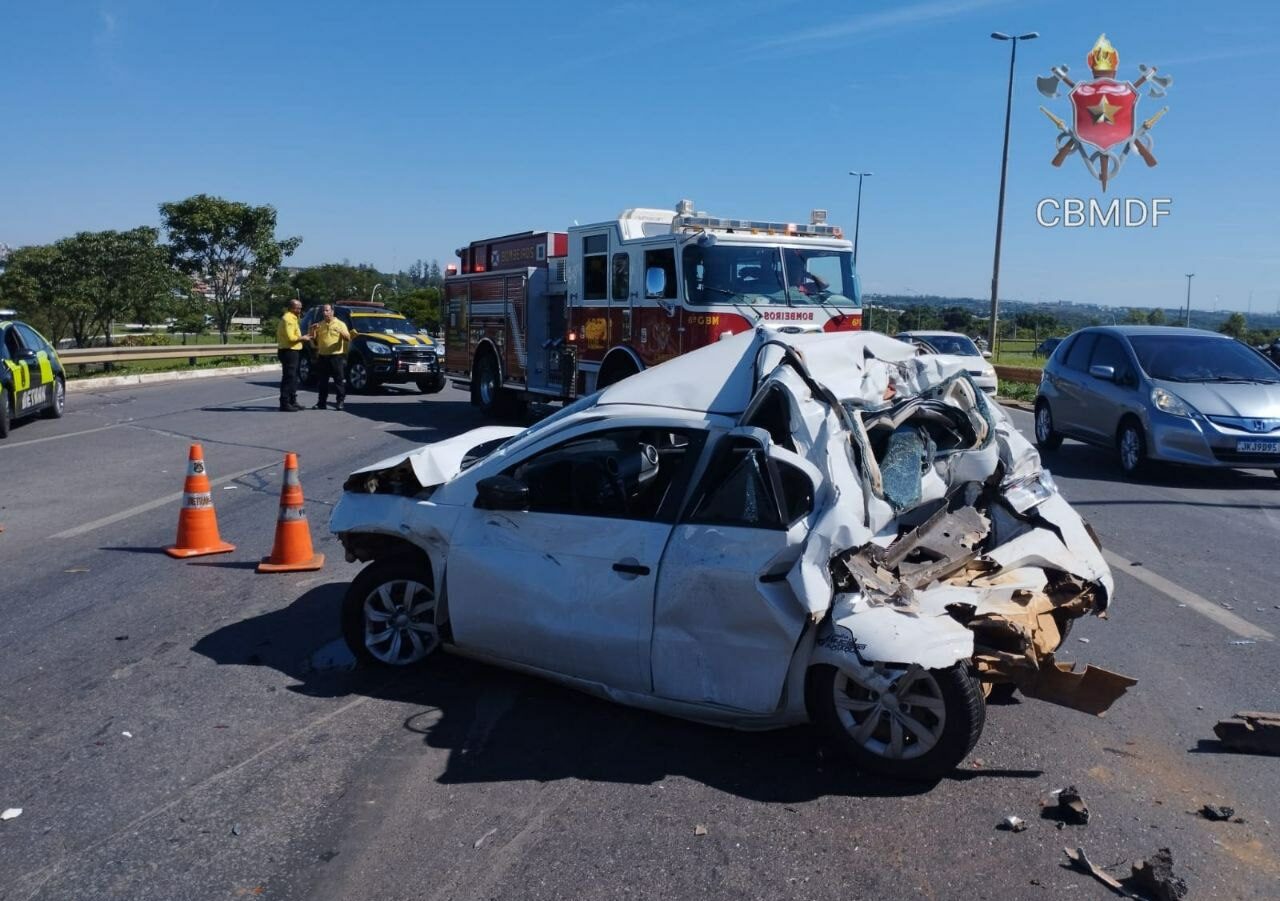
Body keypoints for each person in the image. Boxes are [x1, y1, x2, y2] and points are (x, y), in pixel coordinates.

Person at [309, 304, 351, 410]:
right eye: (323, 311)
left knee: (338, 381)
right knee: (322, 381)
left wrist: (341, 332)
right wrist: (313, 330)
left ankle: (340, 402)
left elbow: (348, 338)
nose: (325, 313)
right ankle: (321, 402)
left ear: (332, 311)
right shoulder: (320, 324)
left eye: (327, 310)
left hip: (336, 356)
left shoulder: (340, 324)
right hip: (323, 356)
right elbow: (314, 340)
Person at [276, 299, 307, 412]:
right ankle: (284, 402)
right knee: (288, 377)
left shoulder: (293, 318)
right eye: (297, 308)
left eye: (300, 308)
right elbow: (291, 338)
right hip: (288, 351)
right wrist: (304, 338)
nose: (299, 310)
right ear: (291, 308)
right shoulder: (288, 318)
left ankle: (292, 400)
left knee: (294, 378)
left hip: (293, 350)